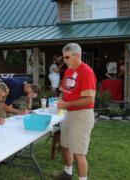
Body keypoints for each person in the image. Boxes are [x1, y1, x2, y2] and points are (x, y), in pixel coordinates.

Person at [53, 43, 96, 180]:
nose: (64, 60)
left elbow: (89, 100)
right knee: (65, 146)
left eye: (66, 57)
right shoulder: (68, 71)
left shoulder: (87, 72)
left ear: (77, 56)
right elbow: (64, 92)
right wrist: (61, 102)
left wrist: (67, 104)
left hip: (81, 115)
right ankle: (67, 173)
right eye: (63, 57)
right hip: (68, 113)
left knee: (79, 152)